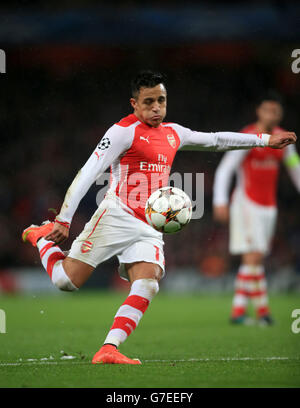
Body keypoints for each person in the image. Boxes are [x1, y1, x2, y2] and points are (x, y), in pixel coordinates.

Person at [22, 72, 296, 364]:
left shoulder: (173, 132)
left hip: (150, 223)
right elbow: (89, 172)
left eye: (161, 100)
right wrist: (64, 219)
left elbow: (216, 140)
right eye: (148, 101)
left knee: (148, 282)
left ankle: (109, 348)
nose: (156, 107)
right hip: (117, 214)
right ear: (134, 104)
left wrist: (266, 140)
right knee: (67, 281)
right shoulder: (122, 132)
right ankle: (42, 238)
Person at [213, 93, 300, 325]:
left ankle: (238, 311)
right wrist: (219, 200)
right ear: (258, 112)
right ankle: (263, 312)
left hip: (268, 207)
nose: (271, 114)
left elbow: (294, 168)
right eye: (267, 110)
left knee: (253, 258)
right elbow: (226, 168)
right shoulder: (249, 137)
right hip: (246, 202)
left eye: (275, 110)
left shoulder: (283, 140)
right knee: (254, 256)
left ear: (280, 114)